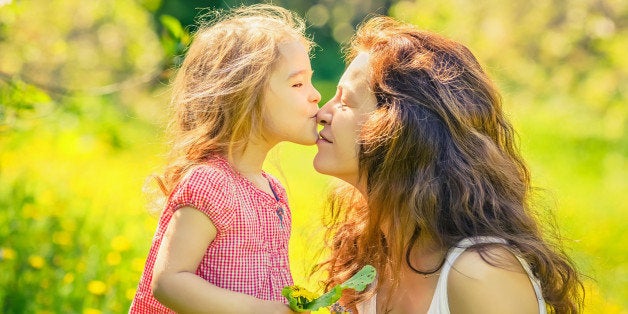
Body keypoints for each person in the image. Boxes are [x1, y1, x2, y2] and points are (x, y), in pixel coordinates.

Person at [313, 16, 584, 314]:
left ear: (400, 131)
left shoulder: (481, 275)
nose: (322, 113)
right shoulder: (370, 253)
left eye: (345, 102)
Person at [129, 4, 321, 313]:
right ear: (244, 95)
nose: (315, 95)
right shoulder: (211, 182)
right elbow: (169, 281)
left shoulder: (272, 191)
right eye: (297, 84)